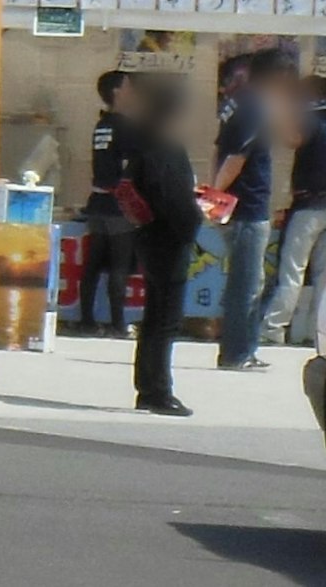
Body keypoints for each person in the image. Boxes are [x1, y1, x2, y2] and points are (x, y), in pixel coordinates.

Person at [257, 57, 326, 356]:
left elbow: (292, 140)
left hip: (309, 207)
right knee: (323, 274)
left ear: (310, 93)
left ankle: (273, 329)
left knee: (292, 271)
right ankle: (320, 333)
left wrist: (278, 112)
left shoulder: (309, 119)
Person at [125, 73, 204, 417]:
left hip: (148, 235)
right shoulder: (166, 149)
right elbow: (174, 200)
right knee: (165, 318)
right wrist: (195, 220)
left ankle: (148, 386)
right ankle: (158, 389)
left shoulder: (141, 143)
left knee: (154, 315)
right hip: (168, 239)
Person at [209, 52, 275, 372]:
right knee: (245, 285)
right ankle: (236, 353)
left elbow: (218, 150)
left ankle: (246, 349)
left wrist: (214, 191)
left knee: (250, 283)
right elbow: (236, 157)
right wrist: (216, 193)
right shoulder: (253, 108)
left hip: (237, 206)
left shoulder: (234, 105)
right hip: (247, 208)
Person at [74, 69, 136, 336]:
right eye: (128, 87)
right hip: (117, 205)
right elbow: (137, 163)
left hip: (97, 202)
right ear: (117, 92)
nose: (132, 92)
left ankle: (86, 320)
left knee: (93, 264)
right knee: (119, 265)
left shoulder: (102, 126)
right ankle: (118, 323)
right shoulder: (124, 127)